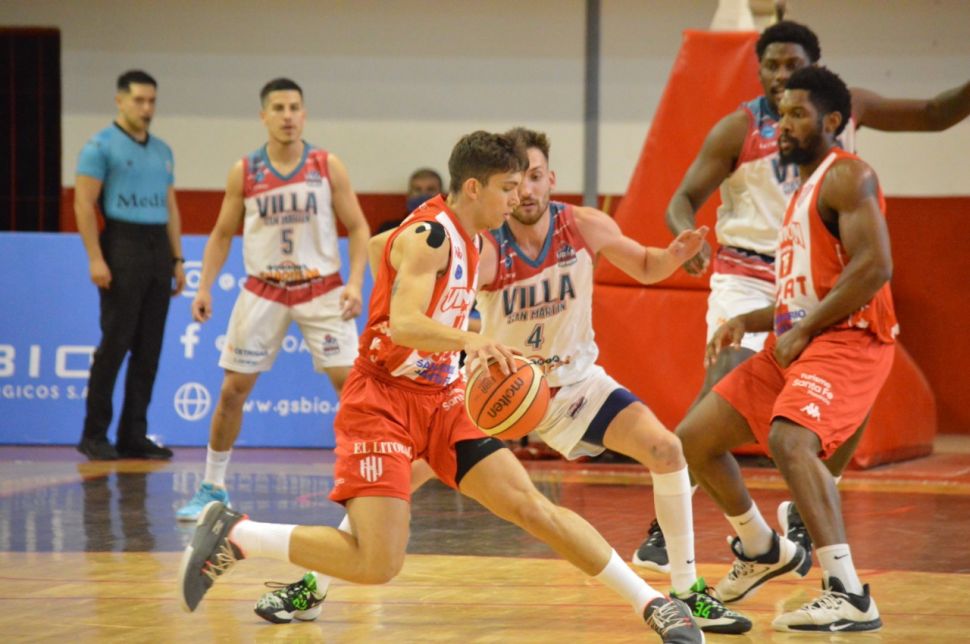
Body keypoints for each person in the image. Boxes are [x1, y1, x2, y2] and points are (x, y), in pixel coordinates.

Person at [178, 131, 705, 643]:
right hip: (382, 402)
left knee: (531, 507)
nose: (516, 198)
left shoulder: (471, 236)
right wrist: (470, 339)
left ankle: (653, 604)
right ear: (473, 188)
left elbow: (384, 247)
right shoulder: (430, 236)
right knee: (378, 563)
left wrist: (405, 280)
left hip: (443, 399)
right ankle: (238, 534)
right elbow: (406, 323)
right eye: (507, 187)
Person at [636, 20, 970, 573]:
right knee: (726, 376)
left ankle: (808, 500)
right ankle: (665, 525)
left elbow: (935, 113)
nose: (779, 75)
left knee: (854, 391)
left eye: (792, 65)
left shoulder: (843, 111)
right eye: (770, 65)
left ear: (815, 67)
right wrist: (686, 235)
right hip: (749, 273)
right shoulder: (739, 127)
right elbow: (682, 199)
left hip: (822, 274)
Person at [473, 127, 749, 634]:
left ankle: (688, 592)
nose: (527, 191)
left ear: (551, 179)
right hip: (504, 391)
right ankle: (324, 574)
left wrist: (674, 255)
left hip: (577, 385)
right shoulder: (486, 246)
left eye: (536, 177)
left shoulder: (582, 224)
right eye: (516, 182)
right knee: (412, 463)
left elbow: (643, 265)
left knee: (667, 449)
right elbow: (449, 310)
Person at [679, 66, 894, 632]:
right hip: (801, 336)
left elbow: (875, 267)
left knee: (789, 439)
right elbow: (804, 291)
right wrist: (750, 319)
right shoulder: (802, 190)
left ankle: (848, 593)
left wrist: (802, 330)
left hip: (848, 337)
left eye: (798, 114)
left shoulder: (847, 175)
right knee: (694, 439)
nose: (783, 126)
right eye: (780, 116)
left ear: (832, 121)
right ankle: (760, 546)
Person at [175, 77, 369, 520]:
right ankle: (212, 487)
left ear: (305, 114)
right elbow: (222, 233)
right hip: (264, 288)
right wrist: (204, 286)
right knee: (232, 391)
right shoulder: (245, 170)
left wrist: (356, 283)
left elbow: (359, 227)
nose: (288, 116)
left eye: (295, 107)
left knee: (353, 389)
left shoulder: (327, 165)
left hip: (322, 288)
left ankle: (364, 484)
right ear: (264, 116)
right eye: (278, 108)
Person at [75, 70, 185, 461]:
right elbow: (83, 204)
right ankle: (94, 434)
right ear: (120, 101)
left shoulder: (163, 151)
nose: (146, 108)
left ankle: (133, 435)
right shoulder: (100, 146)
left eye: (151, 101)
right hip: (122, 244)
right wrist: (95, 257)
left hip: (157, 248)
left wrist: (177, 259)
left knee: (149, 348)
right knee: (115, 343)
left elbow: (170, 206)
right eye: (139, 100)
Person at [376, 166, 445, 234]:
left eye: (430, 189)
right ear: (409, 195)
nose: (423, 195)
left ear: (442, 195)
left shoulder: (448, 229)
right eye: (417, 190)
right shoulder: (388, 229)